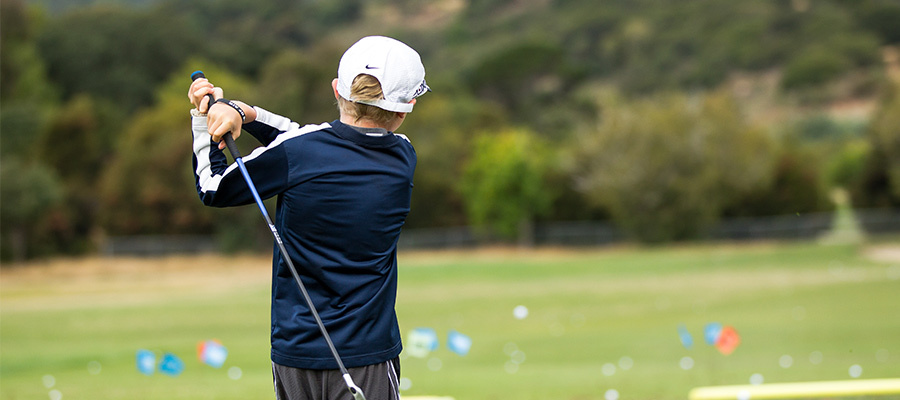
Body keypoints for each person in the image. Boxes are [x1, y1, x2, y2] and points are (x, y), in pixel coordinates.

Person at [187, 36, 429, 400]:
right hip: (369, 357)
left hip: (295, 354)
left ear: (337, 89)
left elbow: (213, 186)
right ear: (406, 107)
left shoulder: (300, 153)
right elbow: (310, 141)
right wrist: (244, 113)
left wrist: (206, 120)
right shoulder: (403, 156)